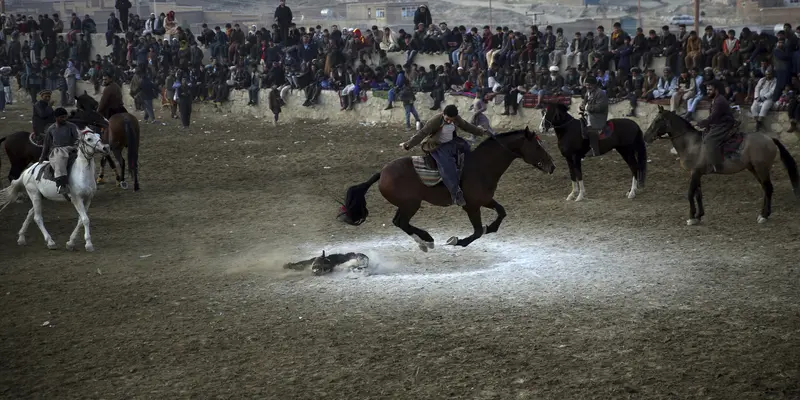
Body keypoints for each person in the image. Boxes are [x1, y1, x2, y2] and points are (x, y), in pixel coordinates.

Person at [399, 104, 489, 206]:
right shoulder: (435, 121)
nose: (450, 121)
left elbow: (466, 126)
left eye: (452, 120)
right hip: (437, 146)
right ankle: (456, 194)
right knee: (447, 166)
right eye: (447, 119)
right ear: (443, 114)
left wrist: (480, 131)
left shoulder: (456, 119)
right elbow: (422, 133)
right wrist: (407, 145)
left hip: (451, 143)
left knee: (467, 151)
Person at [696, 81, 736, 172]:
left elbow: (713, 117)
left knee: (709, 140)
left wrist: (702, 123)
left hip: (724, 124)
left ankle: (717, 165)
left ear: (716, 90)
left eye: (710, 89)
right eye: (707, 90)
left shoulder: (719, 101)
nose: (708, 91)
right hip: (718, 122)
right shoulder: (716, 99)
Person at [38, 108, 81, 194]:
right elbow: (46, 144)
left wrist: (75, 146)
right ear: (56, 118)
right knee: (60, 159)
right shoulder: (51, 129)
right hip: (58, 150)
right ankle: (61, 184)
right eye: (61, 117)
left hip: (72, 148)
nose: (64, 119)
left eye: (65, 117)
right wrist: (42, 157)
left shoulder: (72, 126)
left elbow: (78, 138)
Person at [580, 77, 608, 157]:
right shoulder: (588, 92)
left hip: (597, 116)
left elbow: (600, 107)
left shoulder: (601, 93)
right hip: (588, 115)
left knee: (591, 131)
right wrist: (582, 105)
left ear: (595, 85)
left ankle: (595, 151)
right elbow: (584, 102)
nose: (588, 87)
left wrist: (586, 108)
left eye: (589, 85)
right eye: (586, 85)